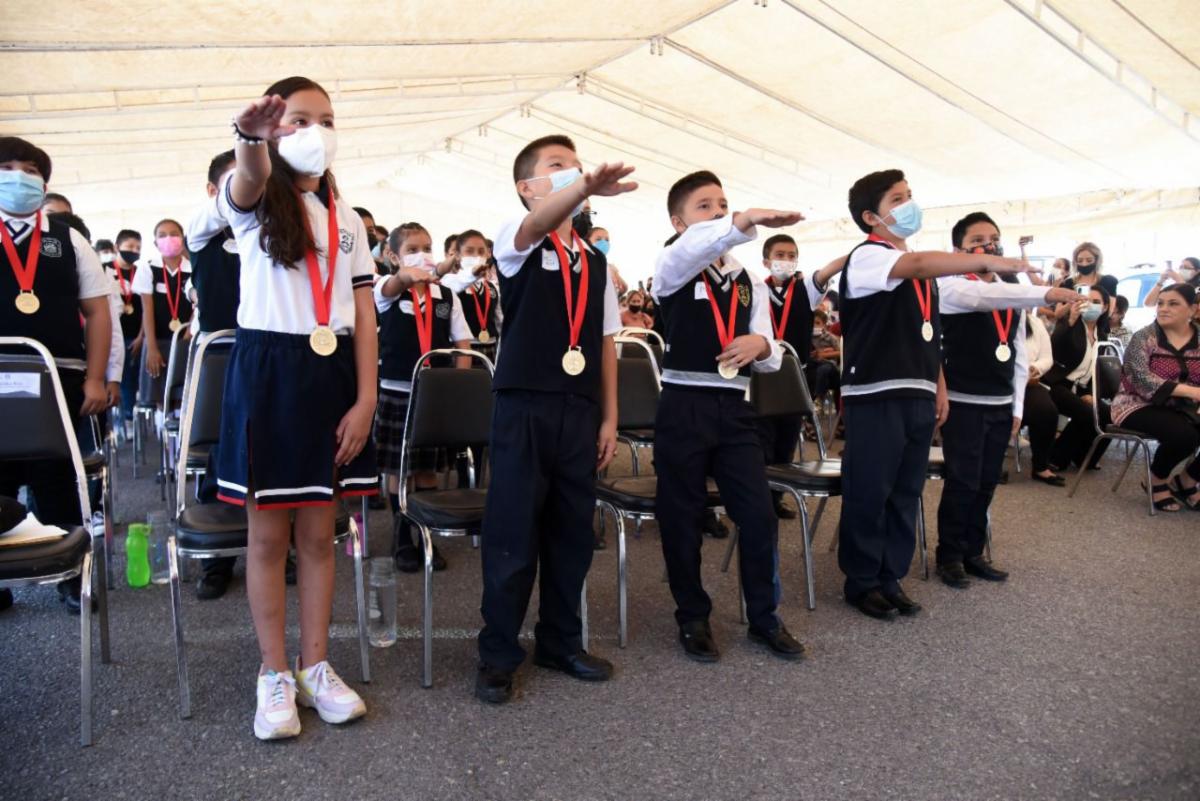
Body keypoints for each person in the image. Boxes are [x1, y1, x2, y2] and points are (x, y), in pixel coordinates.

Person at [218, 77, 377, 740]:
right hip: (268, 373)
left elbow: (364, 313)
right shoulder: (253, 201)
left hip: (332, 375)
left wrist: (366, 398)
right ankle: (273, 672)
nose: (317, 132)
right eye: (300, 120)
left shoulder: (349, 219)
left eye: (327, 119)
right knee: (266, 538)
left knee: (318, 535)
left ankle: (315, 664)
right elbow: (248, 178)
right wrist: (249, 139)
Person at [814, 169, 1034, 620]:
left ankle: (890, 575)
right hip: (876, 392)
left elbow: (930, 336)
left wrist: (940, 386)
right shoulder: (870, 256)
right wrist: (991, 263)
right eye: (898, 199)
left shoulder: (922, 272)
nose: (910, 205)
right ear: (871, 216)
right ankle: (862, 580)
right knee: (871, 489)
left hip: (918, 391)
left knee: (906, 490)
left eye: (910, 195)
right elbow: (915, 265)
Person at [475, 134, 631, 705]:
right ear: (527, 187)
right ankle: (497, 653)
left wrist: (609, 417)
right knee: (513, 533)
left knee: (571, 533)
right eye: (557, 166)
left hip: (580, 409)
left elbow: (607, 341)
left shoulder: (595, 260)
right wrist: (584, 187)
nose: (573, 172)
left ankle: (560, 641)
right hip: (524, 404)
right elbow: (539, 223)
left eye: (577, 165)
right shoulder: (516, 239)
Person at [651, 169, 806, 663]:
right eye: (704, 206)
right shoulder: (673, 264)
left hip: (736, 409)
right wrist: (742, 220)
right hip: (683, 405)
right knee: (682, 517)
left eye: (722, 204)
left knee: (758, 515)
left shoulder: (747, 280)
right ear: (678, 222)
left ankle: (764, 616)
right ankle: (692, 615)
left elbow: (772, 353)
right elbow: (694, 250)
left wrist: (762, 343)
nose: (718, 212)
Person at [934, 212, 1077, 589]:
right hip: (963, 400)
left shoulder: (1007, 285)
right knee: (963, 481)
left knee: (986, 481)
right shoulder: (951, 285)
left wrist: (1016, 407)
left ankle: (973, 552)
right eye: (977, 241)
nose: (989, 246)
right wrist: (1045, 293)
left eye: (994, 239)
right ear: (958, 251)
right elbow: (984, 298)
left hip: (1000, 401)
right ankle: (949, 555)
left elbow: (1016, 351)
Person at [0, 137, 112, 613]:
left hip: (58, 376)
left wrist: (95, 378)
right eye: (7, 167)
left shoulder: (67, 239)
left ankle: (70, 576)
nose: (19, 176)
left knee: (57, 477)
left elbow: (98, 312)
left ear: (44, 183)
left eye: (29, 169)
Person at [374, 221, 472, 573]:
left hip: (433, 395)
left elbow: (462, 342)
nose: (422, 255)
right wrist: (406, 275)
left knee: (428, 470)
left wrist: (456, 384)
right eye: (412, 249)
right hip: (397, 392)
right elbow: (393, 284)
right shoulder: (385, 290)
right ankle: (402, 536)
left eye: (427, 248)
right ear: (393, 255)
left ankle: (426, 534)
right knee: (400, 469)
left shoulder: (446, 296)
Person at [185, 150, 244, 600]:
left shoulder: (272, 235)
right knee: (221, 455)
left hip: (269, 356)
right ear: (213, 191)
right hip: (221, 355)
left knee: (268, 453)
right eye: (238, 179)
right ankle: (217, 558)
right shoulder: (203, 231)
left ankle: (277, 546)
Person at [1111, 283, 1200, 511]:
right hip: (1137, 403)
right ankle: (1157, 480)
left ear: (1193, 309)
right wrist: (1192, 392)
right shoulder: (1144, 337)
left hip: (1184, 407)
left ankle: (1187, 479)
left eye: (1173, 304)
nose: (1163, 308)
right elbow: (1140, 378)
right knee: (1185, 435)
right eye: (1160, 303)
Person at [759, 233, 818, 518]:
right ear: (766, 261)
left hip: (795, 378)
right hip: (763, 375)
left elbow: (824, 275)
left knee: (787, 440)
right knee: (763, 440)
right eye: (780, 255)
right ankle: (760, 497)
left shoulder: (807, 290)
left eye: (791, 255)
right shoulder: (756, 289)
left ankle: (776, 497)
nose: (786, 260)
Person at [1044, 286, 1112, 473]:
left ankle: (1085, 458)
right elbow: (1052, 347)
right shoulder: (1070, 325)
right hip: (1058, 384)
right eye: (1086, 300)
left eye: (1096, 302)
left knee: (1109, 414)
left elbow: (1098, 371)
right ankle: (1056, 458)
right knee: (1087, 414)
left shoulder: (1102, 335)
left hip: (1082, 387)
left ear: (1105, 307)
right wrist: (1070, 321)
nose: (1090, 305)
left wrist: (1091, 393)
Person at [132, 218, 192, 383]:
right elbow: (147, 309)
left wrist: (187, 337)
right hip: (156, 340)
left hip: (185, 340)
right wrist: (151, 347)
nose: (169, 238)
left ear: (182, 239)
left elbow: (197, 307)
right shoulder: (148, 267)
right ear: (155, 242)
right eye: (162, 235)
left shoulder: (193, 268)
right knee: (156, 390)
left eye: (174, 234)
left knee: (183, 389)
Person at [1020, 312, 1065, 485]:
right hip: (998, 382)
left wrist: (1034, 368)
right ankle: (990, 465)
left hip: (1028, 381)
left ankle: (1040, 466)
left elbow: (1047, 358)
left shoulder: (1035, 322)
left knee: (1046, 410)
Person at [441, 228, 502, 345]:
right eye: (469, 251)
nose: (476, 256)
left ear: (488, 253)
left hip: (491, 346)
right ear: (457, 255)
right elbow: (459, 283)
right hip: (463, 347)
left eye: (481, 251)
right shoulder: (450, 280)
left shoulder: (492, 287)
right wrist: (473, 273)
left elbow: (500, 321)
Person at [110, 229, 143, 428]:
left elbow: (147, 308)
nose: (134, 251)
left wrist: (141, 336)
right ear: (117, 247)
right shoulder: (104, 270)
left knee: (130, 380)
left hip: (135, 335)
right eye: (130, 246)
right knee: (114, 379)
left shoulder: (141, 272)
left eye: (138, 248)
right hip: (112, 335)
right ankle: (115, 423)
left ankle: (129, 419)